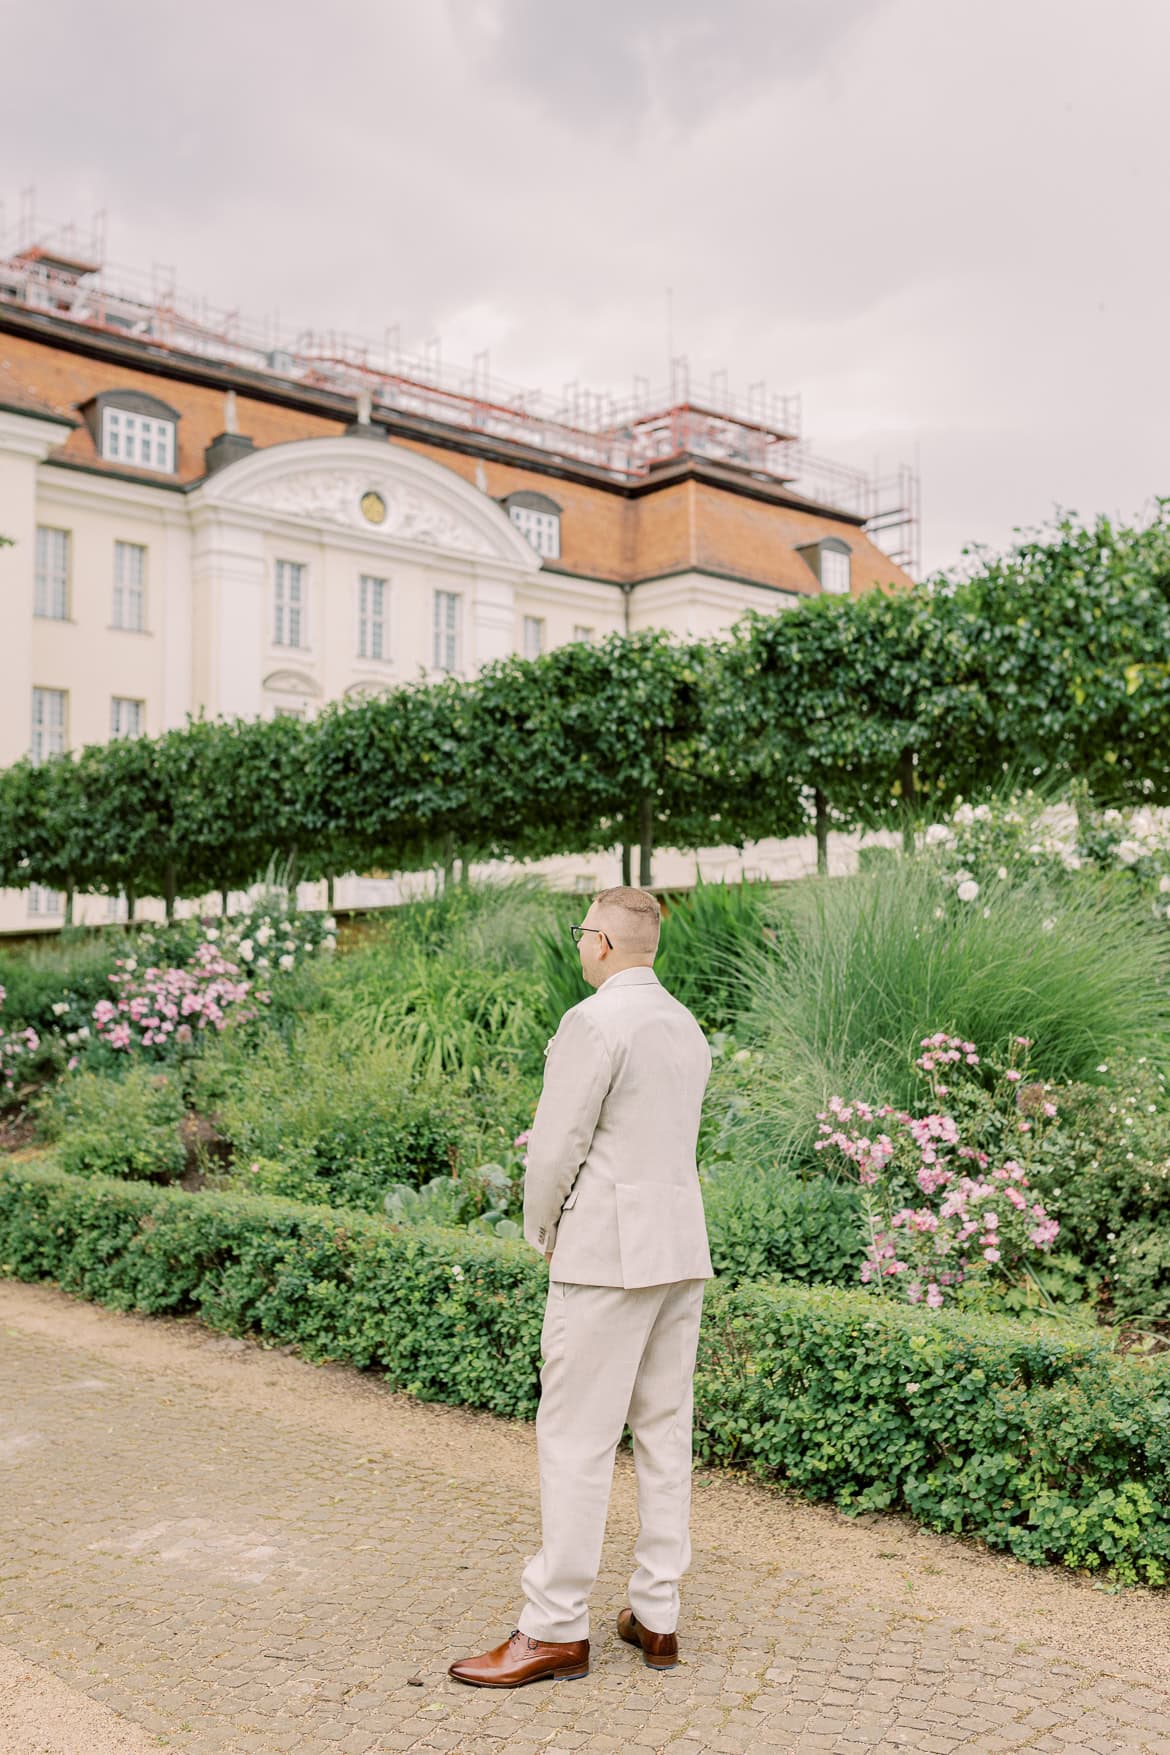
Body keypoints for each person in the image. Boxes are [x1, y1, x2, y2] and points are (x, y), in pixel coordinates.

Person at [448, 884, 713, 1688]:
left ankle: (556, 1625)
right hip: (680, 1248)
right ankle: (657, 1611)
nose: (580, 944)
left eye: (582, 932)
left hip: (605, 1253)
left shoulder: (593, 1021)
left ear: (601, 941)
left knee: (575, 1438)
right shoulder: (686, 1027)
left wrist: (543, 1231)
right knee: (664, 1431)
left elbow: (555, 1145)